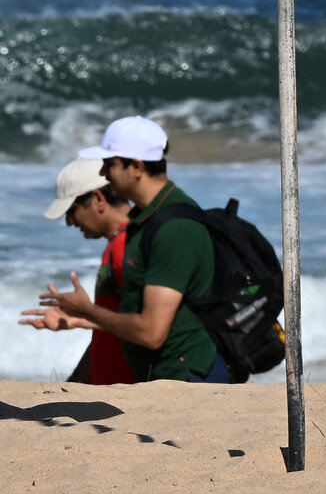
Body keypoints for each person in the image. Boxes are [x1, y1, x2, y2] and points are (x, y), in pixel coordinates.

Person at [31, 115, 225, 383]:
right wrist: (82, 319)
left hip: (187, 378)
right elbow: (132, 321)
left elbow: (150, 332)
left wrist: (86, 311)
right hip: (166, 378)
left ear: (136, 166)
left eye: (109, 164)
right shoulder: (145, 223)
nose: (102, 173)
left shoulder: (172, 228)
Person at [18, 160, 137, 384]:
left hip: (130, 397)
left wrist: (86, 313)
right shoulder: (119, 243)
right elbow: (113, 329)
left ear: (98, 200)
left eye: (72, 210)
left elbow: (148, 327)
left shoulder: (128, 245)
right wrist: (83, 318)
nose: (69, 221)